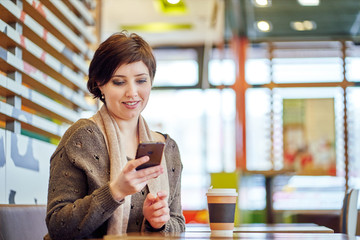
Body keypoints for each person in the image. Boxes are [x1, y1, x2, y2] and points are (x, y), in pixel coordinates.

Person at [45, 31, 185, 240]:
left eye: (141, 81)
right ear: (100, 84)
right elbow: (58, 226)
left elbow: (178, 223)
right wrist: (115, 192)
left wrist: (158, 224)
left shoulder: (167, 147)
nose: (132, 92)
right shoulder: (82, 138)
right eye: (119, 82)